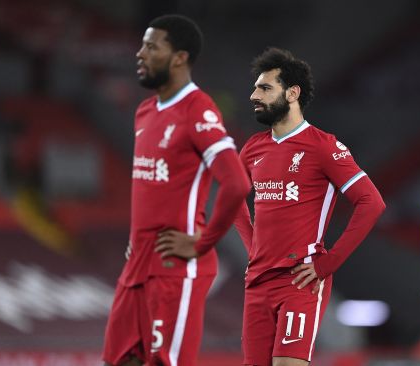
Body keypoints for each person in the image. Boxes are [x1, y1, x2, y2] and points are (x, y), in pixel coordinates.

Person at [102, 15, 251, 366]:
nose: (140, 54)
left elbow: (237, 182)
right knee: (118, 361)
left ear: (179, 57)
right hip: (138, 263)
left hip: (175, 268)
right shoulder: (145, 112)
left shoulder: (198, 110)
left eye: (152, 47)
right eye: (142, 45)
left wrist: (203, 242)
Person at [235, 47, 386, 366]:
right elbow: (233, 198)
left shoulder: (323, 146)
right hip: (258, 282)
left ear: (292, 93)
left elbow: (371, 202)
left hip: (300, 279)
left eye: (264, 88)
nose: (254, 95)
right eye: (255, 87)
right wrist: (253, 247)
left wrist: (327, 263)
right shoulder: (253, 148)